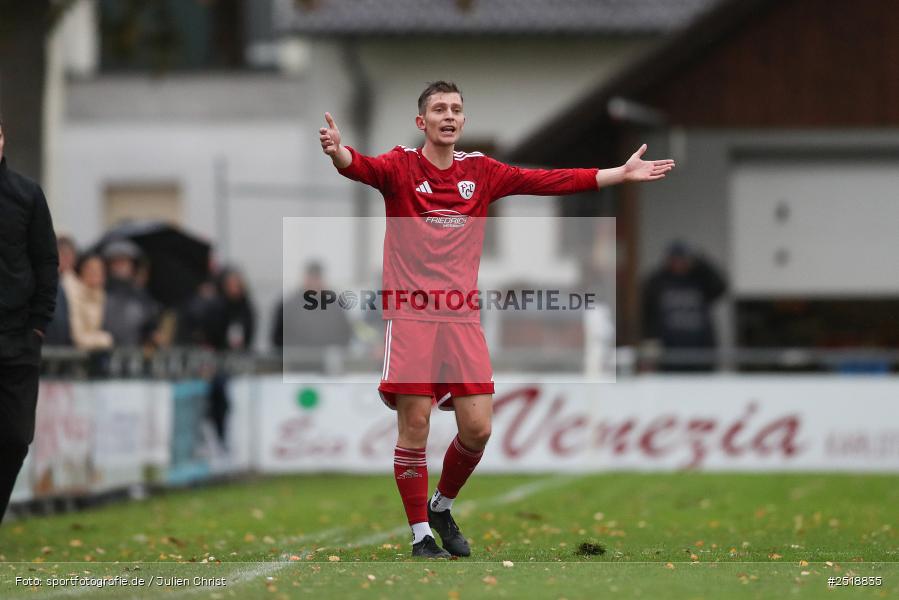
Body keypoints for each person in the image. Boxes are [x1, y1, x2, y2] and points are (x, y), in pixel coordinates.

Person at [319, 81, 675, 558]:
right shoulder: (401, 166)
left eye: (457, 109)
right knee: (417, 423)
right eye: (439, 109)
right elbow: (358, 167)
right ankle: (421, 535)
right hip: (410, 316)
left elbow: (547, 182)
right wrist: (339, 151)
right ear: (422, 122)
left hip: (462, 320)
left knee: (478, 428)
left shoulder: (481, 171)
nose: (449, 115)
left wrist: (618, 174)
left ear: (463, 122)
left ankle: (441, 506)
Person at [0, 117, 59, 524]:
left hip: (17, 338)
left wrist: (39, 323)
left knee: (16, 438)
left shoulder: (26, 194)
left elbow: (46, 261)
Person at [641, 240, 727, 371]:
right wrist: (649, 351)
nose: (679, 263)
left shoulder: (701, 279)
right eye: (675, 259)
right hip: (668, 354)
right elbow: (647, 315)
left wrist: (702, 262)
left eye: (682, 259)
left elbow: (721, 286)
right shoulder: (658, 282)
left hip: (700, 353)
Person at [271, 261, 353, 355]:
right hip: (296, 363)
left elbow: (345, 333)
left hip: (327, 363)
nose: (314, 283)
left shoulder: (335, 307)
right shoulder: (289, 306)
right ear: (305, 279)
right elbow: (277, 337)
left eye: (317, 278)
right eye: (311, 278)